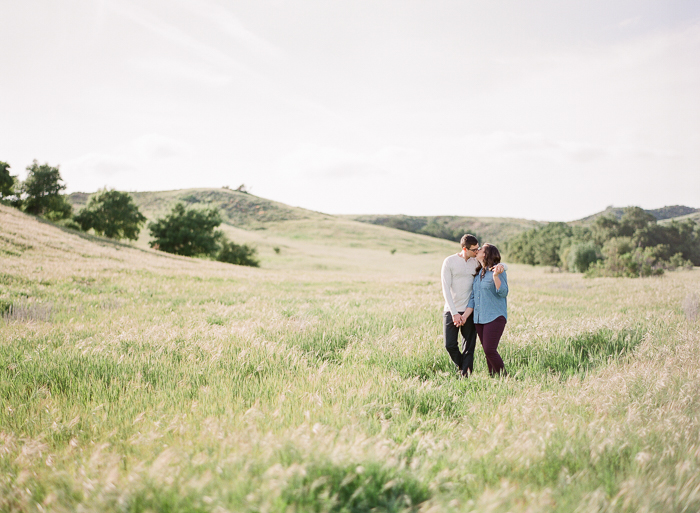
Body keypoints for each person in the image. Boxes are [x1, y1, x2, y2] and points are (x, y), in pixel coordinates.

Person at [441, 235, 505, 377]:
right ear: (465, 248)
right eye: (474, 249)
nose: (477, 251)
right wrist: (454, 313)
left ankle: (465, 376)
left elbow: (493, 264)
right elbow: (445, 289)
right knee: (449, 345)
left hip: (470, 311)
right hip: (451, 310)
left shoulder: (475, 262)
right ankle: (463, 366)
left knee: (469, 347)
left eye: (478, 249)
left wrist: (503, 266)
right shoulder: (449, 261)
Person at [465, 243, 508, 376]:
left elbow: (503, 292)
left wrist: (495, 276)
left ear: (486, 254)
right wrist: (465, 316)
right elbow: (473, 298)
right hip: (479, 318)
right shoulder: (478, 274)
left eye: (480, 249)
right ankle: (494, 378)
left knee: (490, 350)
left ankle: (505, 377)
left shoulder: (498, 271)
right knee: (487, 351)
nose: (477, 251)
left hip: (495, 316)